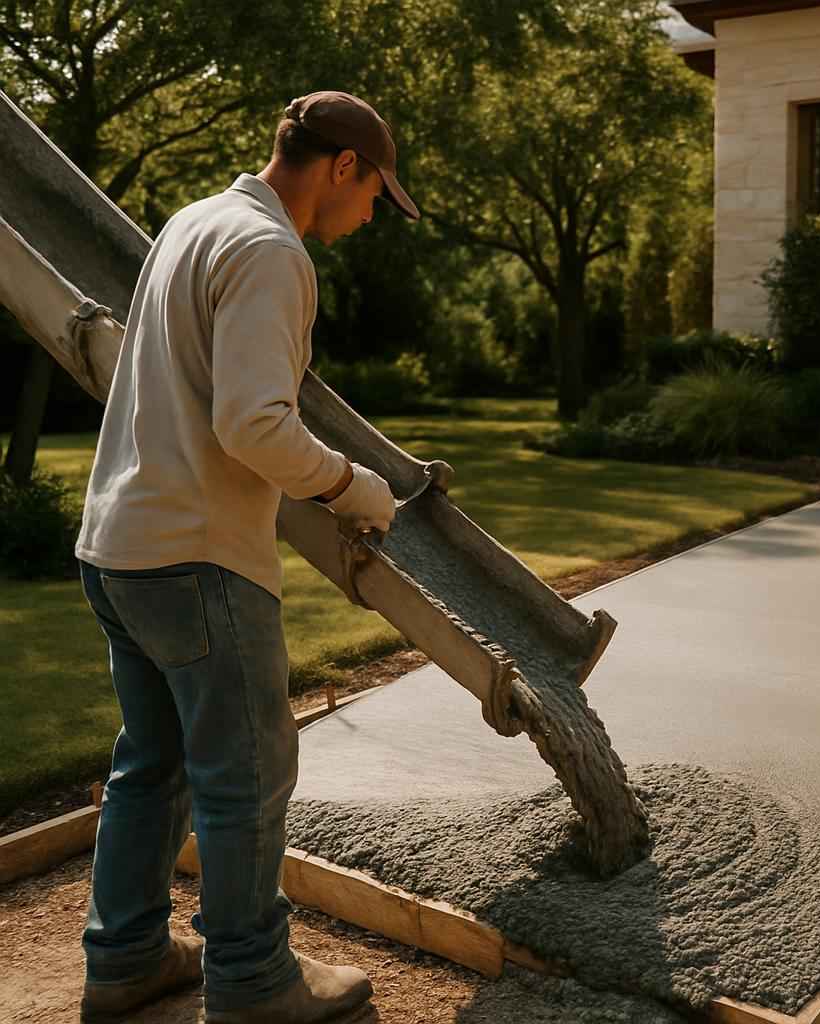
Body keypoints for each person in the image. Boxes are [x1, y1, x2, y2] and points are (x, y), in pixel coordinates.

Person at [73, 90, 417, 1024]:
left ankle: (127, 962)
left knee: (156, 763)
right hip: (196, 558)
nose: (372, 212)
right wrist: (354, 487)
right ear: (342, 166)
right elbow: (254, 423)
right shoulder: (272, 251)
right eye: (378, 192)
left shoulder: (194, 221)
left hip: (118, 548)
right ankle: (256, 985)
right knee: (248, 775)